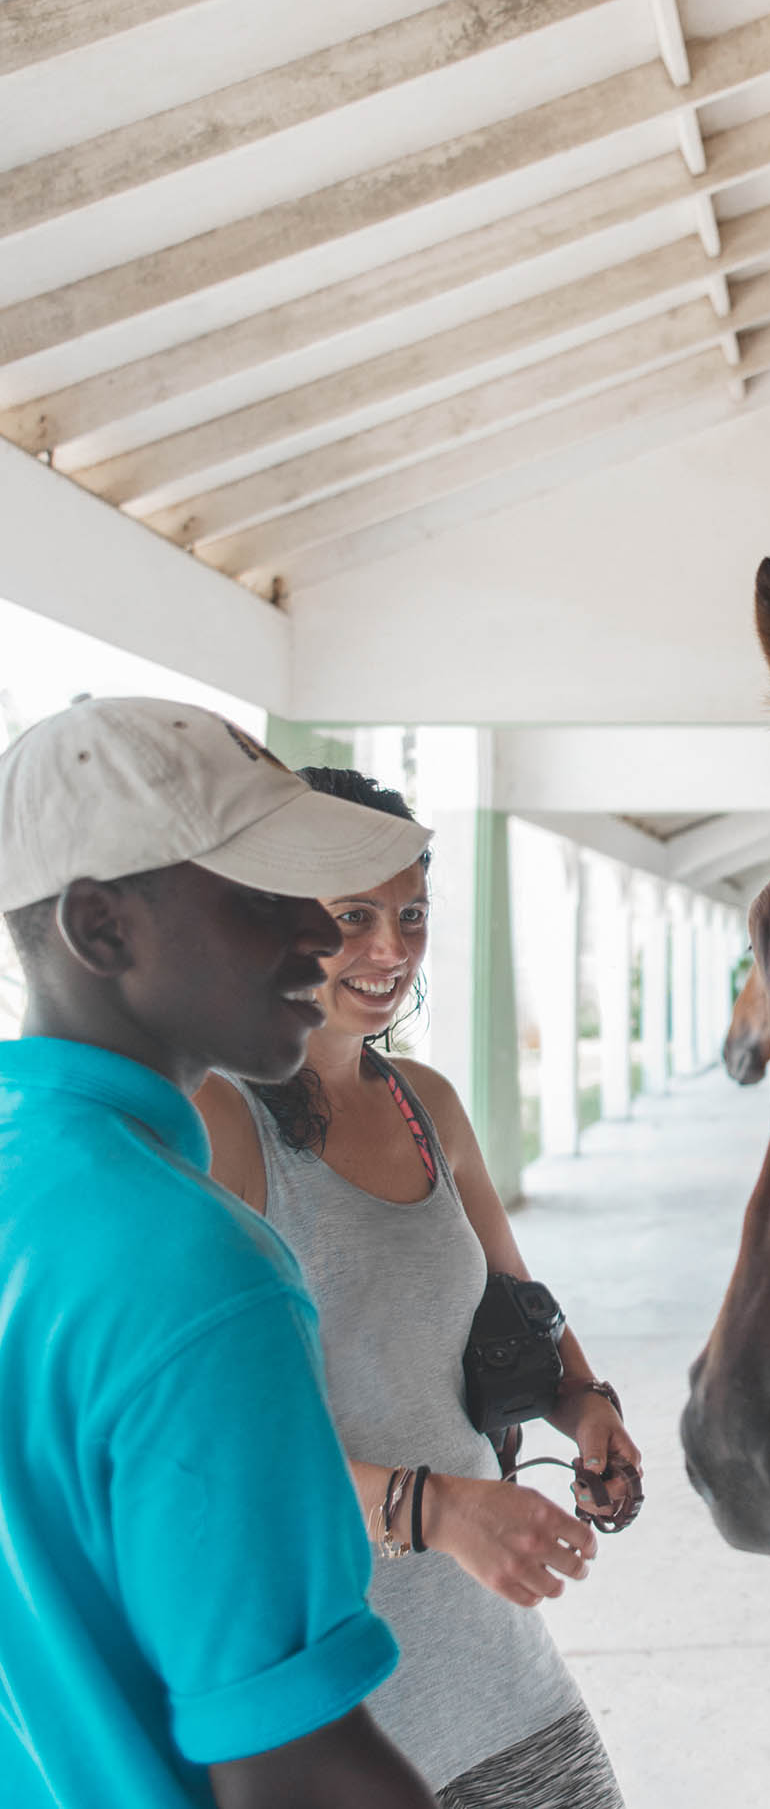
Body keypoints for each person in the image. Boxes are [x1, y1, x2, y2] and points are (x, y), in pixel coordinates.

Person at [0, 697, 442, 1809]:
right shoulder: (198, 1270)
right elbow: (295, 1772)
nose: (320, 932)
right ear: (101, 929)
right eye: (260, 896)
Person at [195, 767, 639, 1809]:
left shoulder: (423, 1103)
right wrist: (428, 1508)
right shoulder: (222, 1122)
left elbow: (519, 1307)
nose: (389, 948)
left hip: (495, 1666)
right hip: (337, 1708)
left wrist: (586, 1406)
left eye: (411, 914)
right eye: (353, 916)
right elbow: (219, 1445)